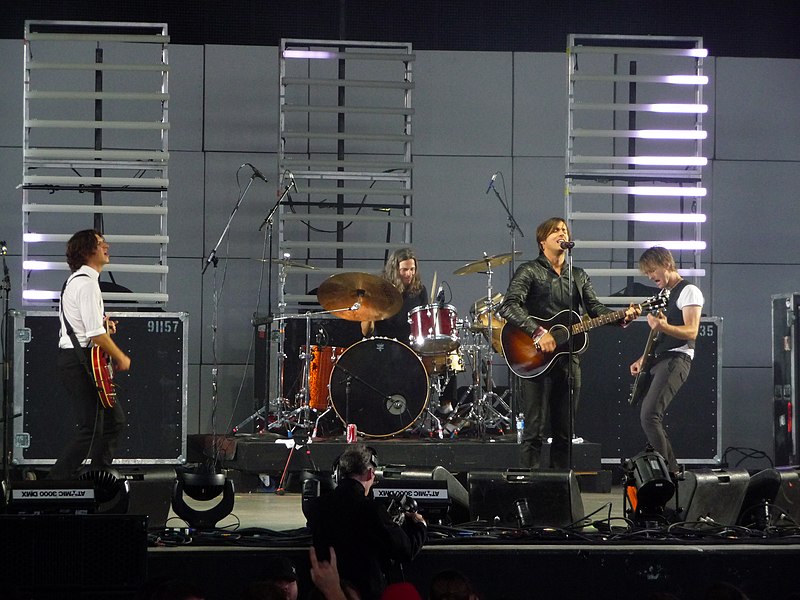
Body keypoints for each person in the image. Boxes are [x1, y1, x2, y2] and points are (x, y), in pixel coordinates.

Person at [498, 217, 639, 469]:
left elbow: (594, 308)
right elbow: (508, 305)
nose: (562, 233)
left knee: (565, 432)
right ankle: (529, 489)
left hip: (568, 359)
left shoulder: (578, 274)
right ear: (543, 241)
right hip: (534, 357)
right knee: (534, 430)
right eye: (556, 231)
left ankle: (559, 489)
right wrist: (538, 331)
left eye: (564, 229)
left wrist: (621, 317)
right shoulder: (529, 270)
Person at [48, 229, 131, 480]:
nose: (106, 245)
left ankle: (98, 477)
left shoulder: (81, 281)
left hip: (79, 359)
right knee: (93, 427)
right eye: (99, 243)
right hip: (78, 360)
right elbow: (94, 335)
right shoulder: (86, 284)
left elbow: (89, 328)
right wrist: (120, 356)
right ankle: (55, 482)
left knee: (111, 422)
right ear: (86, 251)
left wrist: (106, 328)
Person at [305, 444, 427, 600]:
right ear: (370, 473)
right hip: (366, 593)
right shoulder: (371, 509)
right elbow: (405, 551)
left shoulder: (317, 505)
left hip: (323, 592)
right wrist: (420, 526)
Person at [629, 246, 703, 475]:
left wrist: (663, 325)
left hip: (677, 358)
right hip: (662, 359)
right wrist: (643, 358)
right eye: (647, 273)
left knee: (649, 415)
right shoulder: (665, 295)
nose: (650, 276)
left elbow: (691, 331)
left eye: (653, 270)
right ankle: (672, 473)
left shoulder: (688, 291)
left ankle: (665, 475)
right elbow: (660, 335)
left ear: (667, 264)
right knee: (650, 416)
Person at [360, 247, 427, 341]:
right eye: (404, 270)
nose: (409, 274)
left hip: (408, 347)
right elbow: (365, 331)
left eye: (412, 269)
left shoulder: (420, 291)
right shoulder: (379, 290)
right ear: (395, 270)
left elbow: (423, 326)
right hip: (383, 345)